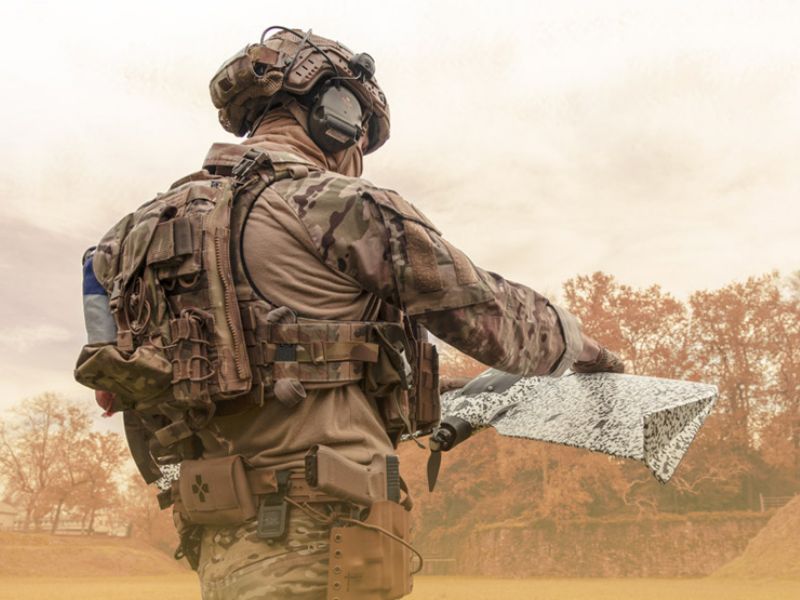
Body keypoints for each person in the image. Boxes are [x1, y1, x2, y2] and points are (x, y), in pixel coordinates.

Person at [76, 27, 623, 600]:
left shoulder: (123, 245)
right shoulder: (330, 204)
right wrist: (586, 348)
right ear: (334, 114)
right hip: (327, 540)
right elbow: (497, 321)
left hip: (220, 543)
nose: (358, 151)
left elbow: (126, 393)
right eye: (360, 131)